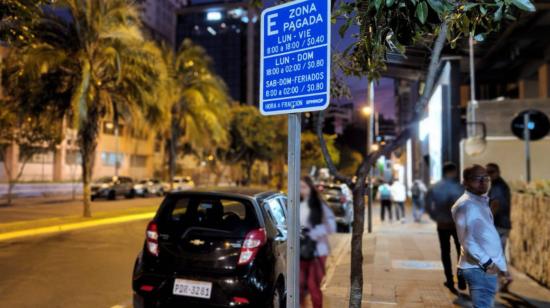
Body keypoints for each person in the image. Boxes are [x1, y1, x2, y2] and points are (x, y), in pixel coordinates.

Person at [452, 165, 512, 307]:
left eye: (485, 178)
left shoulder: (480, 201)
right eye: (477, 179)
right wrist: (488, 263)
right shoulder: (466, 205)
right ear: (465, 182)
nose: (483, 182)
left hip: (485, 268)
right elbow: (467, 240)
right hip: (479, 268)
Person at [425, 162, 466, 293]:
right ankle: (461, 278)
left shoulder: (435, 187)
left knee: (445, 252)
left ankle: (449, 279)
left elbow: (427, 205)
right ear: (452, 172)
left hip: (442, 224)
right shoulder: (459, 188)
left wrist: (435, 217)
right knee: (461, 251)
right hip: (457, 224)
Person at [300, 176, 336, 308]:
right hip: (300, 251)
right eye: (299, 188)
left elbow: (331, 226)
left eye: (303, 187)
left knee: (313, 285)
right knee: (299, 287)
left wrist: (314, 233)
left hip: (318, 251)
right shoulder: (296, 205)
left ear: (310, 188)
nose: (301, 191)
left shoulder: (319, 205)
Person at [486, 163, 512, 292]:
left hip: (498, 224)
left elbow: (495, 203)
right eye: (487, 172)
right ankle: (504, 278)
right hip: (504, 225)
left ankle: (505, 277)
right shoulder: (501, 185)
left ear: (497, 172)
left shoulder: (498, 186)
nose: (489, 175)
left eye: (491, 172)